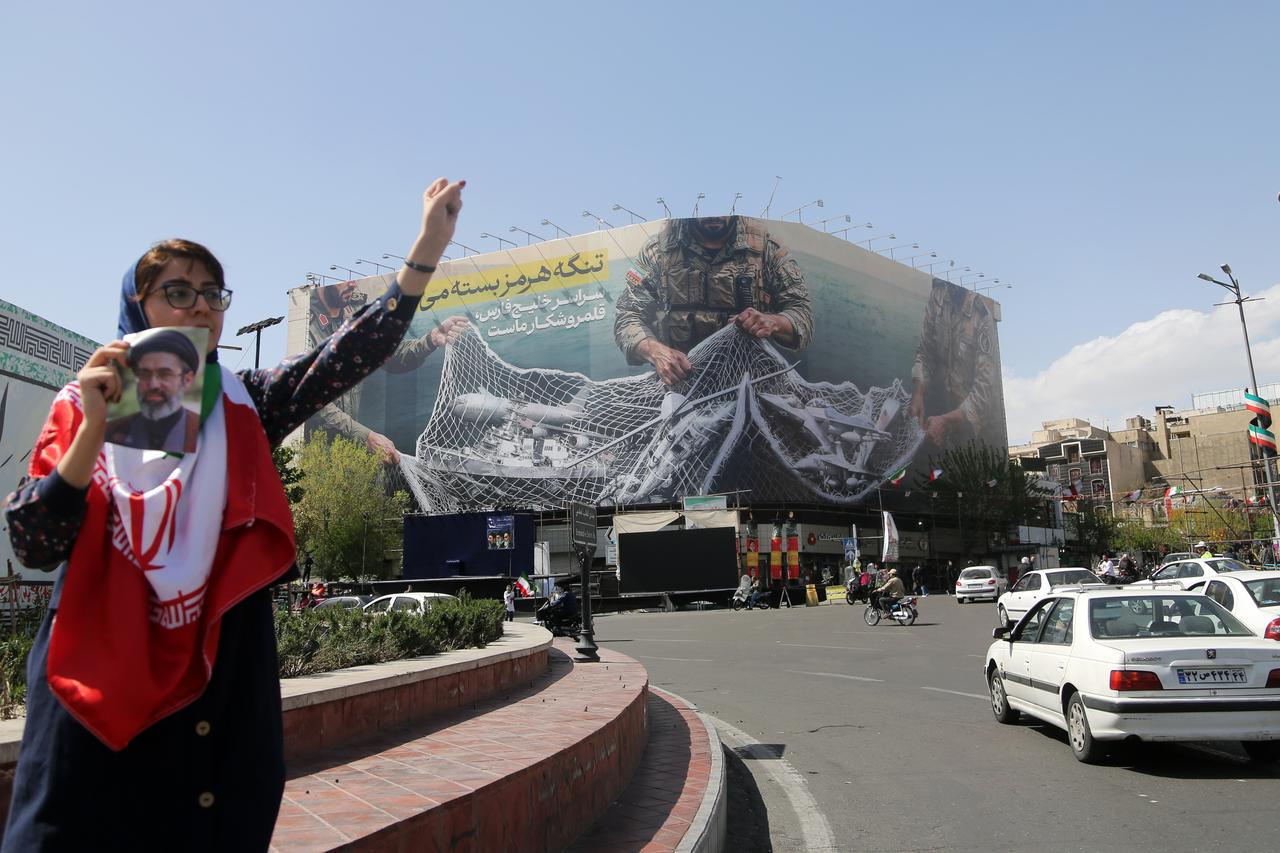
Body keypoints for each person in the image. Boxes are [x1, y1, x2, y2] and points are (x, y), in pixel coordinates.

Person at [0, 177, 465, 850]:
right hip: (98, 685)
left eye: (210, 294)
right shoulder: (84, 400)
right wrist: (94, 433)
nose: (198, 307)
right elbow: (34, 540)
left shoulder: (249, 401)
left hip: (221, 682)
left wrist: (425, 249)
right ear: (137, 304)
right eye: (176, 290)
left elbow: (348, 354)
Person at [614, 216, 812, 386]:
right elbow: (627, 315)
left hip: (750, 379)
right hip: (679, 384)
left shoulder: (766, 250)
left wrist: (772, 322)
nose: (715, 215)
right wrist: (655, 351)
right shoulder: (657, 252)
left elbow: (800, 312)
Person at [307, 280, 469, 464]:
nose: (353, 284)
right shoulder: (305, 323)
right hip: (313, 453)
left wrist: (431, 339)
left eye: (354, 279)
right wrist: (365, 436)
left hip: (348, 450)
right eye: (344, 280)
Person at [909, 279, 1003, 449]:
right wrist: (918, 393)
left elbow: (983, 394)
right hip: (945, 419)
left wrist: (946, 422)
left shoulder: (982, 317)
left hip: (980, 434)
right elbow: (925, 352)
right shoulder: (938, 295)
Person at [103, 329, 203, 454]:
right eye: (144, 374)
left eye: (165, 374)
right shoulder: (113, 430)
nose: (153, 384)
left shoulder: (204, 432)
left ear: (187, 380)